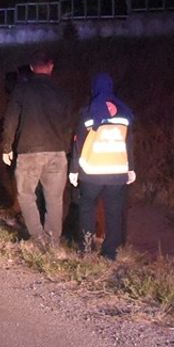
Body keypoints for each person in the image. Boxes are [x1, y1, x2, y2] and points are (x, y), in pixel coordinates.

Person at [0, 48, 74, 249]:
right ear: (51, 66)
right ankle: (53, 241)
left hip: (29, 152)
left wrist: (7, 147)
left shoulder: (22, 90)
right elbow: (69, 124)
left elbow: (10, 120)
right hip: (57, 153)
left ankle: (38, 237)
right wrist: (65, 148)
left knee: (26, 195)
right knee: (55, 199)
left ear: (32, 68)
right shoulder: (62, 92)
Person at [69, 72, 136, 260]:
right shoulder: (124, 114)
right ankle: (109, 253)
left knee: (86, 208)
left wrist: (74, 170)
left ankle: (86, 248)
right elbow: (128, 143)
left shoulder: (87, 112)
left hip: (91, 172)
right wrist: (131, 168)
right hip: (116, 172)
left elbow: (78, 144)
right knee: (114, 212)